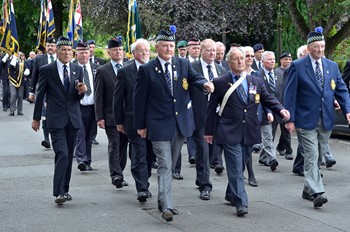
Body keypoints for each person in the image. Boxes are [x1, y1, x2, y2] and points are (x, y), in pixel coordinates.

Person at [133, 26, 214, 222]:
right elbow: (139, 100)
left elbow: (195, 79)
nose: (169, 49)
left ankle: (163, 199)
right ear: (157, 47)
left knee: (170, 164)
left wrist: (204, 84)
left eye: (171, 45)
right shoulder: (147, 69)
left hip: (181, 124)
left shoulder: (183, 64)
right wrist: (140, 125)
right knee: (165, 164)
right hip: (158, 124)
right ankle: (168, 206)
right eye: (165, 46)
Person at [204, 47, 290, 217]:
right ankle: (241, 202)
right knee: (235, 168)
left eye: (242, 58)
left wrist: (280, 110)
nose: (240, 61)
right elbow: (211, 108)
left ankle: (230, 194)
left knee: (240, 166)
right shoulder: (220, 82)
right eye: (236, 59)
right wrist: (208, 131)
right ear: (229, 63)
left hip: (249, 131)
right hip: (229, 131)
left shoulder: (255, 81)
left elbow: (268, 98)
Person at [284, 27, 350, 208]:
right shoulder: (297, 66)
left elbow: (341, 90)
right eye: (317, 47)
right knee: (312, 155)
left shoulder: (332, 66)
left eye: (322, 46)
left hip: (326, 118)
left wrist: (347, 110)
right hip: (305, 119)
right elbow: (290, 94)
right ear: (309, 47)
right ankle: (317, 191)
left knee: (320, 155)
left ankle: (307, 188)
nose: (320, 50)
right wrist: (289, 119)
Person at [31, 36, 86, 205]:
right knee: (62, 153)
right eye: (64, 50)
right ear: (57, 52)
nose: (67, 53)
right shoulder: (48, 70)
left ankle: (65, 189)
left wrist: (82, 91)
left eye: (70, 50)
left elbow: (79, 95)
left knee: (69, 155)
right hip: (55, 120)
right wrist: (36, 118)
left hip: (73, 119)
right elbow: (40, 95)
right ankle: (59, 192)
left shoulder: (78, 69)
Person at [113, 38, 153, 203]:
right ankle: (142, 188)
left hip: (153, 121)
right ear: (134, 53)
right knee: (139, 154)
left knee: (149, 155)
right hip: (133, 121)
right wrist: (118, 121)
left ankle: (145, 178)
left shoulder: (154, 68)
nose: (144, 53)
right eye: (141, 51)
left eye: (146, 51)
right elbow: (118, 98)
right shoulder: (125, 71)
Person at [190, 38, 227, 200]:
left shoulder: (222, 69)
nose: (213, 53)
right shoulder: (192, 68)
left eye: (215, 50)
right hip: (200, 116)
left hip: (218, 117)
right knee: (203, 151)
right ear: (201, 51)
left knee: (213, 153)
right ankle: (205, 185)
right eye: (209, 50)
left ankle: (201, 177)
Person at [94, 37, 129, 189]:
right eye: (114, 50)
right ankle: (116, 175)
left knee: (123, 145)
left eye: (120, 49)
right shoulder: (102, 71)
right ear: (109, 53)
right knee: (114, 144)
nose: (118, 52)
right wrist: (99, 117)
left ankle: (119, 170)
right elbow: (98, 96)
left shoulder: (129, 68)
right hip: (110, 116)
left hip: (127, 116)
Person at [74, 42, 99, 172]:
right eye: (81, 52)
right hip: (78, 106)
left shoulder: (96, 68)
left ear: (89, 53)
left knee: (90, 134)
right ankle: (81, 160)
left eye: (86, 52)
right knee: (80, 133)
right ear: (76, 53)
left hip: (93, 107)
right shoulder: (72, 69)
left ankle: (87, 160)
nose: (84, 55)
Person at [29, 37, 57, 149]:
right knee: (45, 114)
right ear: (45, 47)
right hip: (44, 91)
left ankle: (56, 136)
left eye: (52, 45)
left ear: (56, 47)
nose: (50, 48)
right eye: (48, 45)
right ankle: (46, 138)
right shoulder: (39, 59)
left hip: (57, 91)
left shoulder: (60, 58)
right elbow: (34, 76)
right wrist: (31, 91)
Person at [258, 51, 280, 171]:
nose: (272, 61)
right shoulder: (258, 75)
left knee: (270, 136)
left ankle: (263, 157)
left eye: (273, 59)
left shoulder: (278, 74)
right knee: (267, 134)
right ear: (262, 62)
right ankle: (272, 159)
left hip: (276, 109)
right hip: (263, 109)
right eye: (269, 59)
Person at [274, 52, 293, 160]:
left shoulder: (292, 71)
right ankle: (289, 150)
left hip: (288, 103)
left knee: (284, 126)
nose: (288, 62)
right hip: (278, 103)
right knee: (284, 127)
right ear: (281, 60)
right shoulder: (276, 72)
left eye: (290, 59)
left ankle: (281, 146)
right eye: (286, 59)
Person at [86, 39, 103, 145]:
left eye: (93, 47)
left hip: (95, 95)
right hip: (84, 96)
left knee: (94, 118)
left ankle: (93, 136)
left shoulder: (99, 62)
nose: (91, 49)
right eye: (90, 47)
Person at [8, 52, 26, 116]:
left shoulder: (22, 62)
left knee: (20, 96)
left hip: (20, 81)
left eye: (18, 55)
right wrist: (14, 59)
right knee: (13, 95)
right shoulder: (11, 60)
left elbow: (26, 68)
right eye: (16, 54)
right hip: (13, 80)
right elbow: (10, 67)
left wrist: (27, 71)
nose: (18, 56)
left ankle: (19, 111)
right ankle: (12, 110)